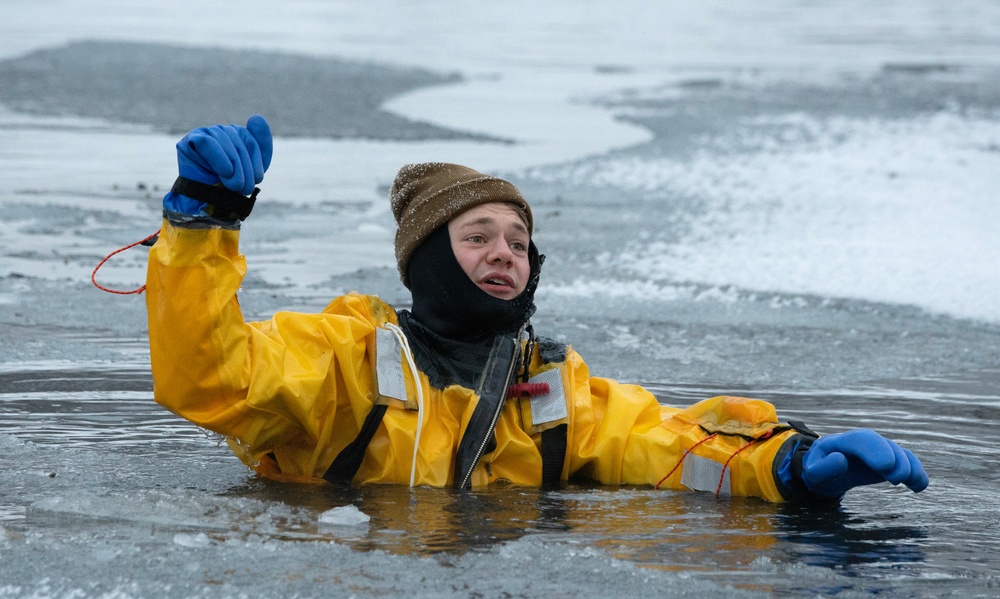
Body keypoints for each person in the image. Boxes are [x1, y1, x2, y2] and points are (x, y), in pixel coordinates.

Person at [146, 115, 929, 503]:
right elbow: (210, 375)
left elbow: (663, 443)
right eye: (478, 235)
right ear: (425, 262)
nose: (503, 254)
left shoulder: (555, 392)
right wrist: (203, 226)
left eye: (518, 241)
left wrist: (784, 462)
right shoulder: (341, 357)